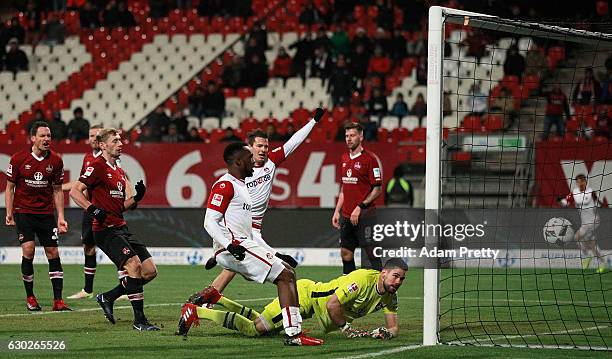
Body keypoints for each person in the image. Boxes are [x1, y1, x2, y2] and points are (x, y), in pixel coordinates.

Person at [176, 142, 323, 346]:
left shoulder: (241, 186)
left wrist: (274, 254)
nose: (253, 161)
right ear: (237, 162)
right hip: (235, 249)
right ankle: (294, 334)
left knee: (287, 271)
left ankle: (206, 301)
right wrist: (228, 245)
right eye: (248, 158)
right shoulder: (225, 185)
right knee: (286, 276)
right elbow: (210, 221)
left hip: (241, 245)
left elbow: (248, 233)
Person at [198, 109, 325, 299]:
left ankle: (207, 292)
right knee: (272, 266)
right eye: (259, 146)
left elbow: (294, 142)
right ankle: (291, 311)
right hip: (237, 224)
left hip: (253, 225)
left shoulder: (271, 162)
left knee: (235, 267)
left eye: (266, 146)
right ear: (249, 148)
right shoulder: (239, 171)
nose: (264, 150)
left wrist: (313, 121)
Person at [183, 258, 407, 340]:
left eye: (401, 279)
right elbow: (332, 305)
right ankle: (198, 311)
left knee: (266, 326)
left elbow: (394, 326)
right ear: (383, 273)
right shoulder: (362, 279)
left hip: (309, 304)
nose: (397, 282)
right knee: (256, 329)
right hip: (303, 297)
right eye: (395, 276)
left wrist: (387, 333)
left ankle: (218, 297)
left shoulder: (389, 296)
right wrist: (347, 329)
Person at [69, 128, 159, 330]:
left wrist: (136, 198)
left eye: (121, 140)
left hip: (121, 226)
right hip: (105, 230)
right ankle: (140, 321)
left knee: (150, 271)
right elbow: (75, 191)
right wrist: (92, 209)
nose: (121, 144)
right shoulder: (96, 165)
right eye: (116, 140)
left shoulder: (118, 171)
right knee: (134, 265)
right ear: (103, 145)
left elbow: (119, 207)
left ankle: (108, 297)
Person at [5, 121, 70, 311]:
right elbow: (10, 187)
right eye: (42, 136)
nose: (46, 139)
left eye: (49, 136)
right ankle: (30, 297)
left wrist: (61, 217)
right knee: (29, 251)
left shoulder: (56, 161)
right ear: (33, 138)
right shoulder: (18, 159)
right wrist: (9, 213)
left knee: (53, 253)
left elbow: (58, 191)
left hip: (45, 214)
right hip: (24, 212)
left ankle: (58, 301)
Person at [65, 125, 132, 300]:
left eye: (96, 135)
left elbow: (122, 180)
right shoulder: (89, 159)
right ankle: (88, 289)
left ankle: (124, 284)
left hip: (107, 211)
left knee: (120, 250)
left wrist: (132, 196)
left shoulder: (113, 161)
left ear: (102, 142)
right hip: (90, 209)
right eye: (91, 135)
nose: (93, 138)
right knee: (88, 246)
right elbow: (80, 184)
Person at [332, 122, 383, 274]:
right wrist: (337, 211)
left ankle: (385, 291)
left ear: (361, 137)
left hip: (366, 216)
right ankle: (351, 289)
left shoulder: (370, 159)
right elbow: (344, 188)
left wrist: (360, 207)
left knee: (370, 254)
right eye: (347, 136)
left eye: (352, 135)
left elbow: (378, 189)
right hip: (347, 217)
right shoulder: (344, 158)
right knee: (346, 253)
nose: (349, 139)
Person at [559, 174, 607, 273]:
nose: (581, 183)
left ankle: (586, 257)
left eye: (583, 181)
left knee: (577, 237)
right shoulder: (574, 193)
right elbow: (566, 201)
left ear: (586, 182)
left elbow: (599, 203)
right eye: (578, 181)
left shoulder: (591, 192)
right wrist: (560, 201)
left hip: (594, 221)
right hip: (585, 223)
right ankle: (603, 263)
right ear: (576, 183)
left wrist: (599, 203)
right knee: (591, 244)